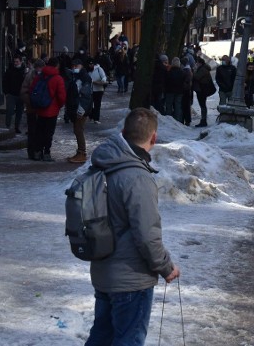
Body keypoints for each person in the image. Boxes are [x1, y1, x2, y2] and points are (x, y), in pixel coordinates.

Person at [84, 108, 180, 346]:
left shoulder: (101, 165)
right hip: (131, 279)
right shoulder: (137, 177)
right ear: (154, 138)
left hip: (103, 271)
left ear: (123, 132)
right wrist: (166, 267)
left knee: (101, 337)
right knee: (128, 340)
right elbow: (147, 236)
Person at [29, 57, 66, 162]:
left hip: (40, 109)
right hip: (52, 110)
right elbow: (62, 96)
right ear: (57, 65)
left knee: (39, 131)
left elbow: (32, 90)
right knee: (49, 132)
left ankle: (37, 152)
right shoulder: (58, 78)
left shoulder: (40, 76)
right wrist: (59, 105)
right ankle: (46, 153)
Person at [65, 58, 93, 164]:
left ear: (81, 66)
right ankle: (80, 152)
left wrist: (81, 110)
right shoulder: (77, 77)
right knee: (77, 130)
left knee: (78, 130)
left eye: (76, 66)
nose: (74, 68)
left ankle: (82, 153)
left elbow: (85, 96)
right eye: (73, 66)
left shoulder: (84, 78)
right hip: (77, 108)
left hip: (81, 109)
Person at [21, 59, 45, 158]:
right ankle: (32, 152)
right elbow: (23, 91)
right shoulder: (30, 76)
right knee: (32, 131)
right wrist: (30, 102)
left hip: (42, 109)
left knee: (40, 131)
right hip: (32, 108)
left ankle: (39, 151)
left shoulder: (45, 76)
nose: (39, 70)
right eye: (38, 68)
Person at [3, 56, 27, 133]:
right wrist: (6, 92)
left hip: (20, 95)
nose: (15, 63)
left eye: (17, 61)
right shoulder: (9, 70)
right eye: (14, 62)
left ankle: (17, 127)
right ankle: (7, 126)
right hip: (11, 95)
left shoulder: (24, 71)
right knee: (9, 111)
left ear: (21, 62)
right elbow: (5, 81)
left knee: (19, 112)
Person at [192, 57, 215, 127]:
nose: (196, 64)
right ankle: (203, 120)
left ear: (200, 63)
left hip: (202, 90)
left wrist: (193, 71)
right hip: (202, 90)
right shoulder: (203, 68)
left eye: (197, 63)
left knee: (203, 106)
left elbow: (196, 77)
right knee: (202, 105)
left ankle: (203, 121)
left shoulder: (202, 69)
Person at [87, 59, 108, 124]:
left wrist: (102, 81)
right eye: (89, 64)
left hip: (99, 89)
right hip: (91, 90)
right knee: (89, 104)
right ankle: (92, 115)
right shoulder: (88, 70)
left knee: (97, 105)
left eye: (91, 64)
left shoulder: (99, 69)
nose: (90, 65)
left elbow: (103, 77)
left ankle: (96, 119)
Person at [164, 57, 185, 123]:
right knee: (178, 106)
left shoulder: (169, 72)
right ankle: (177, 121)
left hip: (170, 91)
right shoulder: (182, 72)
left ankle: (168, 120)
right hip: (179, 92)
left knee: (169, 105)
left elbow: (166, 81)